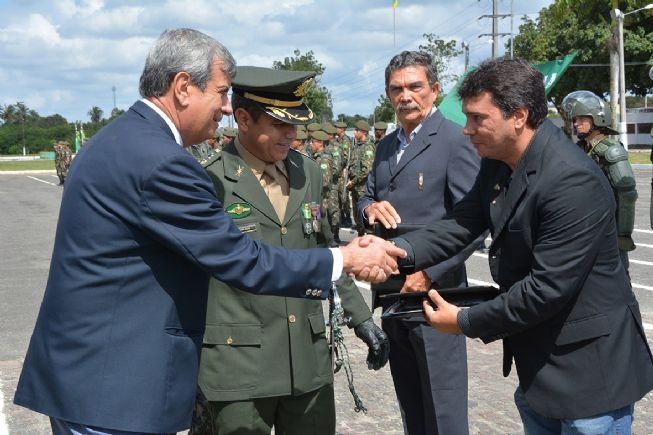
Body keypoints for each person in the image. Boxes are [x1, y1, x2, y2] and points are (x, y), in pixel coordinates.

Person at [13, 28, 404, 435]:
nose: (223, 107)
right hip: (117, 387)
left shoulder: (120, 139)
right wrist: (347, 258)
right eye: (220, 93)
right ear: (183, 86)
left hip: (98, 380)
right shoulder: (162, 161)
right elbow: (239, 258)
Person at [390, 57, 653, 434]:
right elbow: (462, 222)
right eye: (467, 117)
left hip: (590, 377)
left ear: (519, 116)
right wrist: (397, 252)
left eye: (478, 118)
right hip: (541, 369)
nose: (467, 130)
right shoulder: (500, 161)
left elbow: (546, 289)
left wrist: (464, 321)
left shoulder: (570, 180)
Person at [190, 66, 389, 435]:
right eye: (280, 124)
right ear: (244, 118)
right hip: (240, 366)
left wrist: (361, 318)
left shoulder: (307, 172)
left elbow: (325, 251)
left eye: (295, 124)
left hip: (306, 360)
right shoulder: (209, 179)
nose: (291, 135)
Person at [357, 50, 480, 435]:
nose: (405, 96)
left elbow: (472, 223)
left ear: (436, 90)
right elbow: (365, 196)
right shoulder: (386, 146)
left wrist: (430, 272)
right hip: (392, 290)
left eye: (415, 87)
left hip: (436, 292)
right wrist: (368, 209)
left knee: (442, 404)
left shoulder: (455, 141)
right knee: (410, 398)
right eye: (396, 89)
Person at [561, 90, 637, 274]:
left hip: (609, 228)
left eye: (581, 119)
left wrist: (622, 234)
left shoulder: (611, 152)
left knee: (618, 276)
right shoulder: (581, 149)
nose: (576, 123)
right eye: (574, 119)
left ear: (597, 119)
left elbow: (627, 195)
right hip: (586, 226)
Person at [348, 120, 376, 236]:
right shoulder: (356, 147)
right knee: (356, 214)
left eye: (357, 130)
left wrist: (353, 182)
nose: (354, 132)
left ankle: (369, 239)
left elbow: (367, 169)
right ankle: (360, 237)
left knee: (365, 214)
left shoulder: (368, 147)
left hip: (363, 188)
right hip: (355, 187)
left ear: (363, 132)